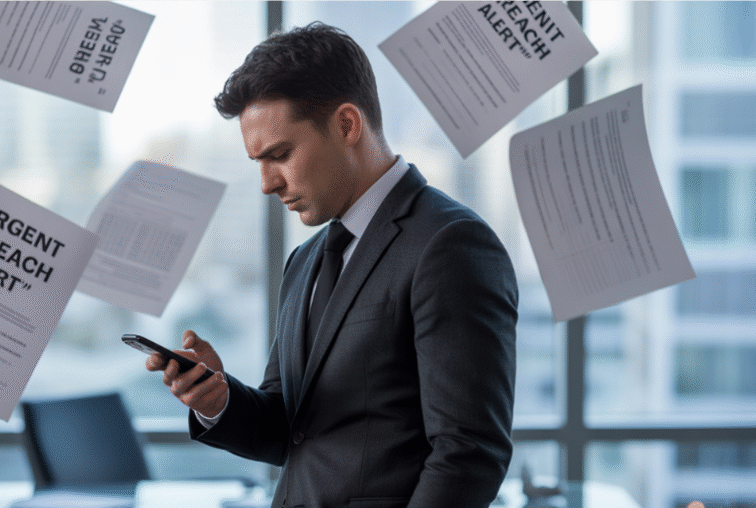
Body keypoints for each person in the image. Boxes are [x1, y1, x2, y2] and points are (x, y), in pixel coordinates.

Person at [146, 22, 518, 508]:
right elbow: (289, 430)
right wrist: (219, 400)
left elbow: (469, 453)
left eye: (279, 155)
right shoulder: (304, 262)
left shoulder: (451, 244)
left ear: (347, 125)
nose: (267, 184)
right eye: (257, 162)